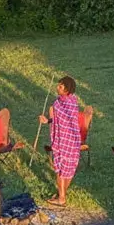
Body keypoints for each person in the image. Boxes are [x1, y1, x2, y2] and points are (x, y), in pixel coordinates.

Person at [38, 75, 85, 207]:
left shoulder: (63, 104)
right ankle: (62, 193)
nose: (57, 87)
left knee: (60, 169)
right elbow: (59, 120)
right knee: (68, 168)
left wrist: (50, 117)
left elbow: (64, 120)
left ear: (67, 89)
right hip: (74, 140)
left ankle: (62, 198)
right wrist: (47, 120)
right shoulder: (72, 101)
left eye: (60, 86)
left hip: (64, 140)